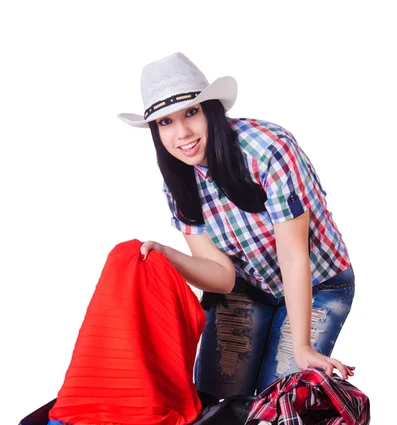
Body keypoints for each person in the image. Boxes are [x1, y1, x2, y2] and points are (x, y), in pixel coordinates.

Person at [118, 52, 356, 400]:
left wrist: (302, 346)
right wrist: (168, 255)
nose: (182, 133)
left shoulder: (268, 149)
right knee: (217, 402)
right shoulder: (178, 177)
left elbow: (293, 258)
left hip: (319, 284)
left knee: (279, 405)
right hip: (246, 287)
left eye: (191, 112)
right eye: (165, 123)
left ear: (211, 109)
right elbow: (221, 275)